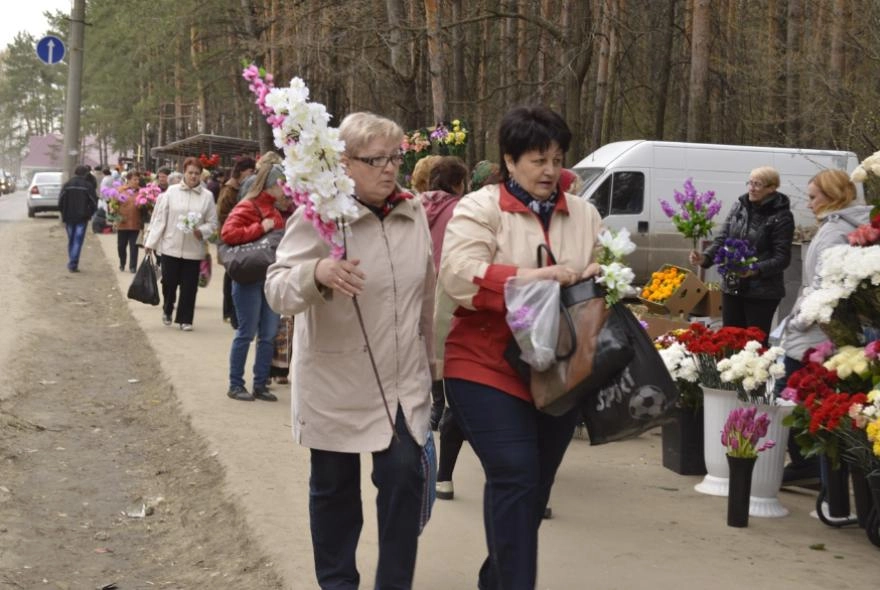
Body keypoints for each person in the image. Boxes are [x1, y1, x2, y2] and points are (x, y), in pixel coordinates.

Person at [264, 111, 434, 590]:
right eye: (374, 159)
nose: (388, 168)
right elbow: (277, 290)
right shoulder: (318, 214)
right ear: (343, 163)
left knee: (404, 480)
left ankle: (393, 582)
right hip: (336, 382)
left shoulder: (413, 211)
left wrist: (434, 365)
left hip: (400, 382)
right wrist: (316, 276)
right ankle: (338, 582)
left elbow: (427, 294)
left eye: (394, 157)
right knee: (335, 491)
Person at [438, 105, 602, 589]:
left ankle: (499, 579)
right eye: (536, 160)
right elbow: (457, 275)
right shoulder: (480, 208)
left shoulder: (586, 214)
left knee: (533, 487)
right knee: (514, 473)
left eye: (556, 158)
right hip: (485, 362)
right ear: (509, 161)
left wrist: (600, 278)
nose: (550, 170)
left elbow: (606, 273)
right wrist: (531, 279)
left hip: (560, 371)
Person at [778, 169, 871, 488]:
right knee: (803, 398)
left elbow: (823, 283)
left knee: (795, 396)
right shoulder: (835, 226)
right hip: (818, 324)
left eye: (814, 196)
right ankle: (812, 465)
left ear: (833, 196)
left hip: (817, 328)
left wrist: (798, 321)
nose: (809, 202)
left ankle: (813, 466)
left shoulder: (834, 232)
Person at [689, 166, 794, 340]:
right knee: (730, 340)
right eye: (750, 183)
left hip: (762, 292)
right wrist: (705, 257)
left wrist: (755, 269)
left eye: (758, 184)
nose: (751, 188)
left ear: (772, 188)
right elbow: (722, 239)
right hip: (732, 286)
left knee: (754, 344)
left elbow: (782, 258)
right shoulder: (739, 207)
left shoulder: (781, 216)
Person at [420, 156, 469, 503]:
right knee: (450, 363)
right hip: (450, 292)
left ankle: (433, 407)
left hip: (420, 289)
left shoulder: (415, 205)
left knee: (428, 355)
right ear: (457, 183)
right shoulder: (462, 211)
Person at [220, 155, 287, 402]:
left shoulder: (275, 208)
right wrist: (261, 227)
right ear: (271, 184)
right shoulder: (249, 206)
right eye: (282, 184)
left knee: (268, 335)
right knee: (246, 333)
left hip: (269, 278)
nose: (285, 189)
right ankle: (235, 384)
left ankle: (260, 384)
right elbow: (228, 234)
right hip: (249, 277)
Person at [144, 157, 217, 331]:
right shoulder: (171, 192)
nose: (193, 176)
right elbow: (161, 219)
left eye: (197, 174)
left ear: (201, 175)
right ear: (184, 172)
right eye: (190, 172)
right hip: (170, 246)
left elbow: (213, 223)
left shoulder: (207, 196)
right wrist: (151, 242)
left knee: (189, 286)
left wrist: (202, 231)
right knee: (168, 282)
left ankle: (185, 319)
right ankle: (168, 308)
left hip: (194, 249)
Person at [217, 156, 258, 329]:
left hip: (236, 236)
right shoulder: (230, 189)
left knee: (231, 275)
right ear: (243, 171)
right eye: (251, 171)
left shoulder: (238, 186)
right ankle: (229, 312)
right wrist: (240, 220)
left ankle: (230, 312)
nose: (252, 174)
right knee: (231, 276)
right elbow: (221, 214)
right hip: (231, 237)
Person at [58, 165, 98, 273]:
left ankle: (72, 261)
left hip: (69, 216)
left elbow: (60, 201)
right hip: (82, 217)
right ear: (85, 174)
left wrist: (63, 213)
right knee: (77, 240)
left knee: (72, 240)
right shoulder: (88, 186)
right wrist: (89, 213)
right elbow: (94, 202)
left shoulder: (67, 185)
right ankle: (73, 263)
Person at [115, 170, 144, 273]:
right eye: (134, 179)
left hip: (135, 223)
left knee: (134, 247)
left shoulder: (142, 192)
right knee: (121, 246)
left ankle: (133, 266)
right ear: (128, 180)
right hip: (122, 223)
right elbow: (114, 205)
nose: (137, 181)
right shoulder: (120, 190)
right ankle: (122, 262)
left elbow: (145, 207)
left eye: (138, 179)